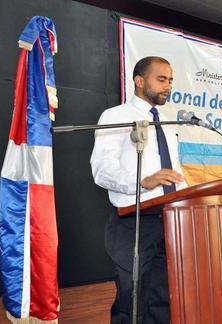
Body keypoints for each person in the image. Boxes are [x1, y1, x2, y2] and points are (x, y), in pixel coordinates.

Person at [90, 56, 186, 324]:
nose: (168, 86)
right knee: (131, 300)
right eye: (161, 79)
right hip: (134, 222)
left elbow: (175, 173)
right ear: (139, 81)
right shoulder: (116, 116)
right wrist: (143, 181)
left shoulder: (166, 124)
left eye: (170, 81)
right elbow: (102, 170)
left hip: (170, 221)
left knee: (163, 297)